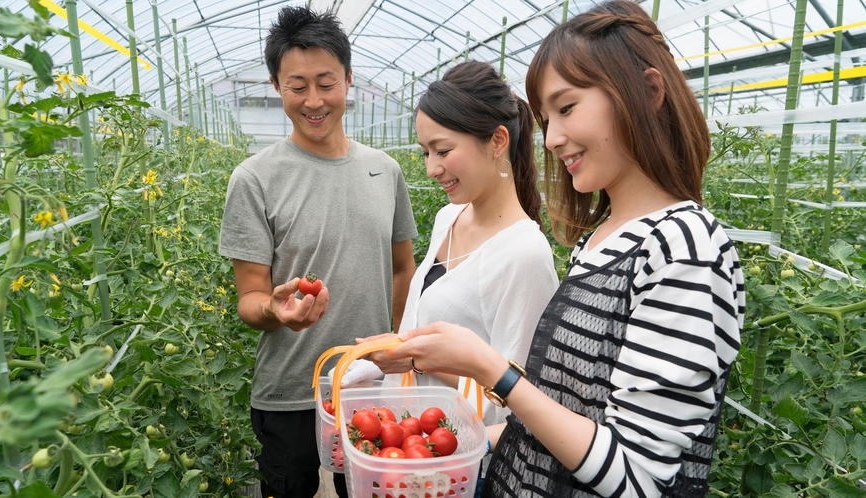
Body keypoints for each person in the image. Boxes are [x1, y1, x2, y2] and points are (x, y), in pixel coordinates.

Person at [379, 1, 745, 497]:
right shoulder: (599, 240)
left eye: (567, 108)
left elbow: (637, 477)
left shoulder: (686, 249)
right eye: (546, 118)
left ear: (650, 91)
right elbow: (564, 414)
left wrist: (493, 370)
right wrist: (458, 444)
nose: (551, 138)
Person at [217, 6, 418, 498]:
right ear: (275, 85)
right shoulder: (254, 179)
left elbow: (402, 269)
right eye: (297, 86)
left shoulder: (384, 170)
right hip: (289, 394)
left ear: (348, 80)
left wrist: (387, 349)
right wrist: (276, 310)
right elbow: (249, 299)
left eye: (326, 83)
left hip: (368, 390)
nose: (313, 101)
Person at [357, 59, 559, 490]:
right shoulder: (449, 218)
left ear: (497, 141)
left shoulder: (523, 254)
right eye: (426, 152)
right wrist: (391, 355)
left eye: (443, 151)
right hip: (409, 443)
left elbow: (518, 398)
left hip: (458, 464)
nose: (432, 168)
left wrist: (409, 358)